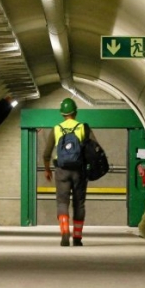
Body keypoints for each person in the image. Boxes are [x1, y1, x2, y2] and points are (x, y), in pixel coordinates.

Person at [42, 97, 97, 247]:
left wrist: (47, 170)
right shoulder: (83, 128)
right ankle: (77, 237)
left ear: (62, 114)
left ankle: (65, 233)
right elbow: (94, 148)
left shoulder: (56, 129)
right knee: (79, 204)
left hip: (61, 170)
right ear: (76, 112)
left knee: (62, 202)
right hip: (79, 170)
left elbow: (46, 154)